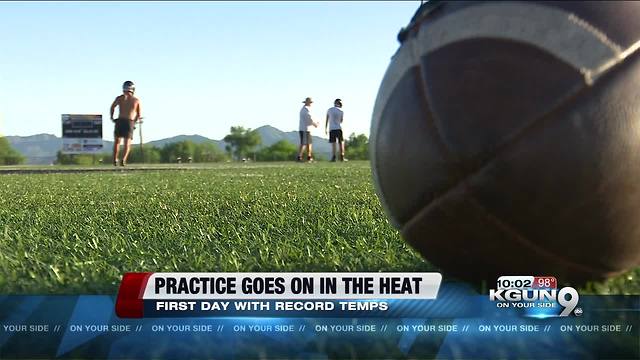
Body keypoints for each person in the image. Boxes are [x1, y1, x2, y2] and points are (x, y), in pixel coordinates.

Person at [110, 81, 142, 166]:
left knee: (117, 141)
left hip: (120, 120)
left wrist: (112, 117)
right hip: (129, 121)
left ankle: (115, 159)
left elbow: (112, 107)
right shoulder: (136, 100)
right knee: (127, 142)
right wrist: (134, 122)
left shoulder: (120, 98)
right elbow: (138, 114)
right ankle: (123, 159)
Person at [298, 97, 318, 162]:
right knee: (305, 143)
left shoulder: (304, 109)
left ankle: (308, 157)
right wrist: (315, 124)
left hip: (306, 128)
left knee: (308, 143)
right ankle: (300, 156)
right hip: (305, 129)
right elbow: (309, 119)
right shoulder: (306, 109)